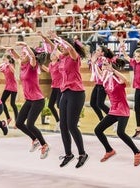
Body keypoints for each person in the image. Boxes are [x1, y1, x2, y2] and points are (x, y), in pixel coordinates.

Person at [41, 31, 88, 168]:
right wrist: (47, 38)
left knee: (72, 125)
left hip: (76, 92)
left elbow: (72, 49)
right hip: (65, 92)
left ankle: (82, 154)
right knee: (63, 125)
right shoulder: (62, 58)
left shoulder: (75, 56)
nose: (61, 48)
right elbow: (52, 49)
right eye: (60, 46)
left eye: (62, 46)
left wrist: (58, 38)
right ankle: (68, 154)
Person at [93, 56, 140, 166]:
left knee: (120, 132)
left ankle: (137, 152)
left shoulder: (117, 80)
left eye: (105, 67)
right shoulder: (105, 82)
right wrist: (94, 63)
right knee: (98, 130)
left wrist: (113, 70)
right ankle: (109, 150)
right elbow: (99, 73)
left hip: (123, 110)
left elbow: (125, 80)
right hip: (113, 111)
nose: (103, 68)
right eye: (103, 67)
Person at [5, 42, 50, 159]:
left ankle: (44, 145)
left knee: (30, 124)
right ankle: (35, 140)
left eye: (25, 54)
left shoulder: (32, 65)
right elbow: (17, 58)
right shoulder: (23, 66)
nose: (22, 55)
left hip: (38, 100)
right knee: (19, 123)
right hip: (29, 100)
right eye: (22, 54)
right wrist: (11, 50)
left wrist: (25, 45)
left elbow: (33, 57)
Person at [39, 38, 62, 131]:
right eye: (51, 54)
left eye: (54, 54)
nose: (52, 55)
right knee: (50, 105)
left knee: (60, 105)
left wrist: (53, 46)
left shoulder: (60, 63)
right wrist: (40, 65)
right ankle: (58, 121)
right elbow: (49, 71)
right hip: (54, 86)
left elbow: (57, 51)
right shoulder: (51, 64)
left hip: (61, 86)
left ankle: (63, 122)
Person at [89, 46, 111, 121]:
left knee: (100, 104)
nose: (96, 51)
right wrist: (93, 62)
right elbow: (93, 71)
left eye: (98, 50)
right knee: (92, 103)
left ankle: (114, 118)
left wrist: (94, 63)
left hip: (103, 84)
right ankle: (102, 119)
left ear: (102, 53)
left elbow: (102, 73)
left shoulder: (104, 60)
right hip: (97, 84)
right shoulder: (97, 60)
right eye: (96, 50)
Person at [0, 53, 18, 126]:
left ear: (8, 59)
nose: (3, 60)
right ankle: (8, 118)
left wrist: (8, 63)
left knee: (12, 104)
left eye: (4, 59)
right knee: (2, 101)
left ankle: (17, 121)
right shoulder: (5, 67)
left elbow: (14, 71)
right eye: (3, 59)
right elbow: (0, 70)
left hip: (13, 86)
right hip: (7, 87)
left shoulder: (11, 66)